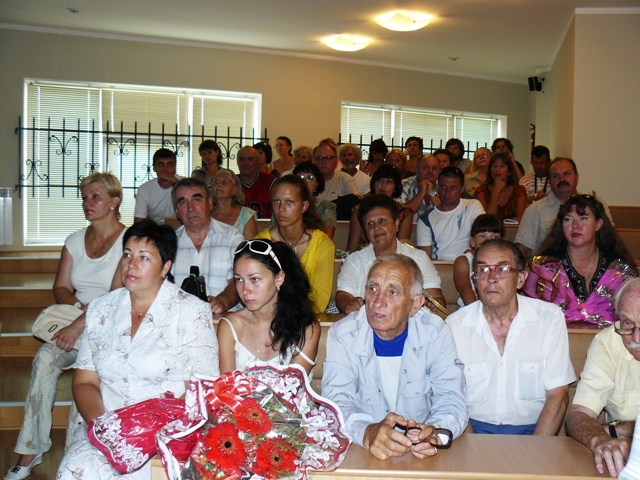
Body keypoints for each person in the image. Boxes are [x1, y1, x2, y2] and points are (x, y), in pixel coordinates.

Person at [57, 220, 220, 480]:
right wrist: (108, 432)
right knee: (75, 471)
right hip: (105, 425)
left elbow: (200, 391)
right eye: (127, 255)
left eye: (144, 257)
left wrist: (152, 434)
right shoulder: (101, 309)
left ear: (165, 267)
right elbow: (85, 382)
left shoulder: (191, 312)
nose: (131, 265)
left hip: (168, 433)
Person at [4, 173, 126, 480]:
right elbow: (60, 287)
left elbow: (116, 297)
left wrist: (82, 322)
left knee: (86, 371)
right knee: (44, 358)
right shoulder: (74, 240)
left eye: (95, 197)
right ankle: (31, 448)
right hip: (75, 319)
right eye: (84, 197)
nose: (87, 203)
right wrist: (79, 312)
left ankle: (75, 456)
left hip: (110, 328)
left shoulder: (129, 240)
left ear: (114, 201)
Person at [322, 254, 468, 460]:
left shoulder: (435, 333)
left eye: (392, 292)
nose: (378, 302)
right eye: (373, 289)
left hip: (420, 457)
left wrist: (435, 432)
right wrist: (367, 431)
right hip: (363, 452)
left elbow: (451, 398)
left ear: (415, 304)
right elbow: (335, 403)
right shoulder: (343, 334)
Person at [447, 240, 576, 435]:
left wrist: (536, 448)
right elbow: (450, 397)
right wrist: (472, 446)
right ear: (474, 279)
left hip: (534, 432)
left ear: (521, 279)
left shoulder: (548, 318)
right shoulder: (454, 325)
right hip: (471, 429)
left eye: (502, 269)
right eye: (482, 270)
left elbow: (558, 395)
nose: (491, 279)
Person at [523, 194, 637, 325]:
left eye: (583, 218)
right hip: (555, 334)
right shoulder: (546, 264)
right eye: (568, 219)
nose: (575, 225)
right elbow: (531, 312)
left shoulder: (617, 264)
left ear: (598, 224)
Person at [566, 278, 640, 478]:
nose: (636, 339)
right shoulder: (609, 342)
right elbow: (579, 414)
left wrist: (624, 429)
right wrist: (601, 440)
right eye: (627, 323)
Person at [218, 239, 320, 374]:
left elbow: (292, 383)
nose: (245, 290)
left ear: (279, 278)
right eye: (239, 279)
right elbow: (227, 384)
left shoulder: (306, 326)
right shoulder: (230, 326)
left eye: (254, 279)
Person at [337, 194, 444, 314]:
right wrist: (350, 304)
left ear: (396, 224)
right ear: (365, 231)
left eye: (382, 221)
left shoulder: (419, 259)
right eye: (370, 224)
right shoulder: (354, 260)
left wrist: (434, 305)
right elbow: (343, 295)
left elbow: (435, 298)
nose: (376, 228)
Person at [254, 175, 334, 312]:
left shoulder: (322, 244)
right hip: (266, 317)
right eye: (276, 201)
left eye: (289, 202)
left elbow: (319, 301)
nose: (281, 208)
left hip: (307, 317)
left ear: (304, 206)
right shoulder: (261, 242)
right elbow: (255, 292)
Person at [171, 177, 243, 314]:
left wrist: (222, 301)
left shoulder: (232, 237)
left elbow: (239, 280)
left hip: (222, 320)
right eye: (183, 202)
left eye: (196, 200)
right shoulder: (170, 243)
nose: (190, 208)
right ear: (177, 211)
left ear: (210, 203)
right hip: (180, 320)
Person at [417, 166, 485, 260]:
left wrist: (474, 253)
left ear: (462, 188)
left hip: (469, 263)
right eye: (443, 187)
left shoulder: (472, 206)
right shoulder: (425, 219)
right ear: (438, 187)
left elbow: (485, 234)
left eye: (453, 188)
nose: (447, 192)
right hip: (441, 266)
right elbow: (425, 260)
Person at [346, 165, 413, 251]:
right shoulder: (359, 210)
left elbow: (402, 249)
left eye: (389, 182)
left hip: (394, 257)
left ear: (395, 188)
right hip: (364, 256)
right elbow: (352, 248)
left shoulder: (404, 212)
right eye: (380, 180)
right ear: (374, 184)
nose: (383, 185)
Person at [453, 214, 504, 308]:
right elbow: (464, 288)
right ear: (472, 241)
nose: (488, 240)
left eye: (495, 237)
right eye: (482, 236)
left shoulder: (505, 263)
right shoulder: (464, 261)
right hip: (471, 309)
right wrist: (479, 311)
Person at [473, 152, 527, 222]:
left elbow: (521, 218)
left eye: (502, 166)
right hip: (489, 228)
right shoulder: (481, 191)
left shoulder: (519, 190)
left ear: (509, 172)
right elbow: (487, 219)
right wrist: (496, 191)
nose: (497, 170)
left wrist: (501, 223)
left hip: (512, 228)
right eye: (494, 166)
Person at [293, 161, 337, 239]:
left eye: (310, 178)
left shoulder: (327, 207)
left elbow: (327, 236)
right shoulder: (284, 204)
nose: (305, 182)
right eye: (301, 177)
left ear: (317, 184)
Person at [210, 168, 258, 240]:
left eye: (225, 182)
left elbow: (251, 245)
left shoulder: (246, 215)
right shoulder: (206, 213)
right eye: (216, 182)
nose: (219, 185)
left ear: (234, 190)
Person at [133, 148, 179, 224]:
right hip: (156, 229)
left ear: (175, 167)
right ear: (154, 168)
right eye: (161, 165)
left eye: (170, 165)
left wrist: (175, 182)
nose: (165, 170)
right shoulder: (145, 189)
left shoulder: (186, 185)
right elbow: (138, 223)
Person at [236, 145, 276, 218]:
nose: (246, 163)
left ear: (257, 162)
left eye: (250, 159)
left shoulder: (270, 181)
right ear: (237, 162)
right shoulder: (230, 182)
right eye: (242, 159)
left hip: (266, 225)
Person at [400, 154, 441, 220]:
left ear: (439, 171)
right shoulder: (403, 185)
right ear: (416, 170)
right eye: (425, 167)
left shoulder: (444, 187)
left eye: (434, 168)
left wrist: (432, 193)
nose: (430, 171)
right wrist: (421, 193)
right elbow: (401, 215)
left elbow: (447, 215)